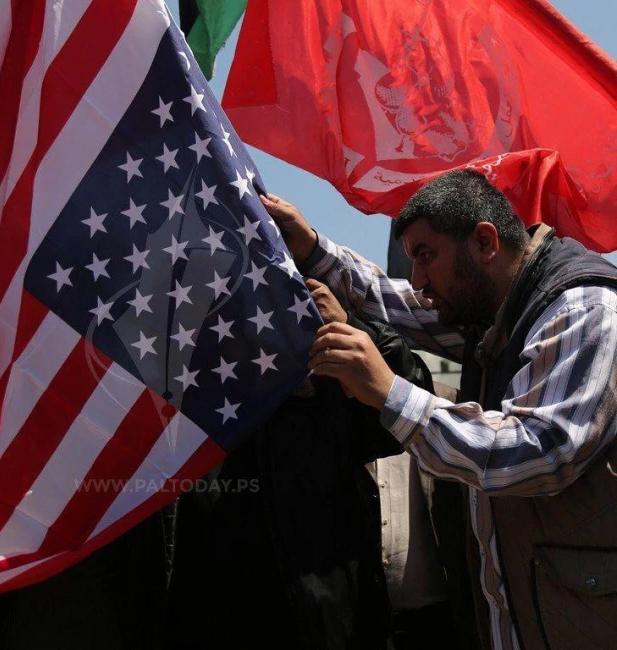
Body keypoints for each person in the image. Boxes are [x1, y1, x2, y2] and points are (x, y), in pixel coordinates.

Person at [262, 169, 617, 650]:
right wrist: (311, 249)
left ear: (485, 243)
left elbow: (538, 453)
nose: (418, 279)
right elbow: (398, 306)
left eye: (426, 256)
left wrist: (389, 392)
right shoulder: (495, 312)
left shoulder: (583, 311)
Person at [166, 276, 436, 649]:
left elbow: (407, 412)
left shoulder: (324, 390)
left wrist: (353, 328)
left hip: (330, 627)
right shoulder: (181, 408)